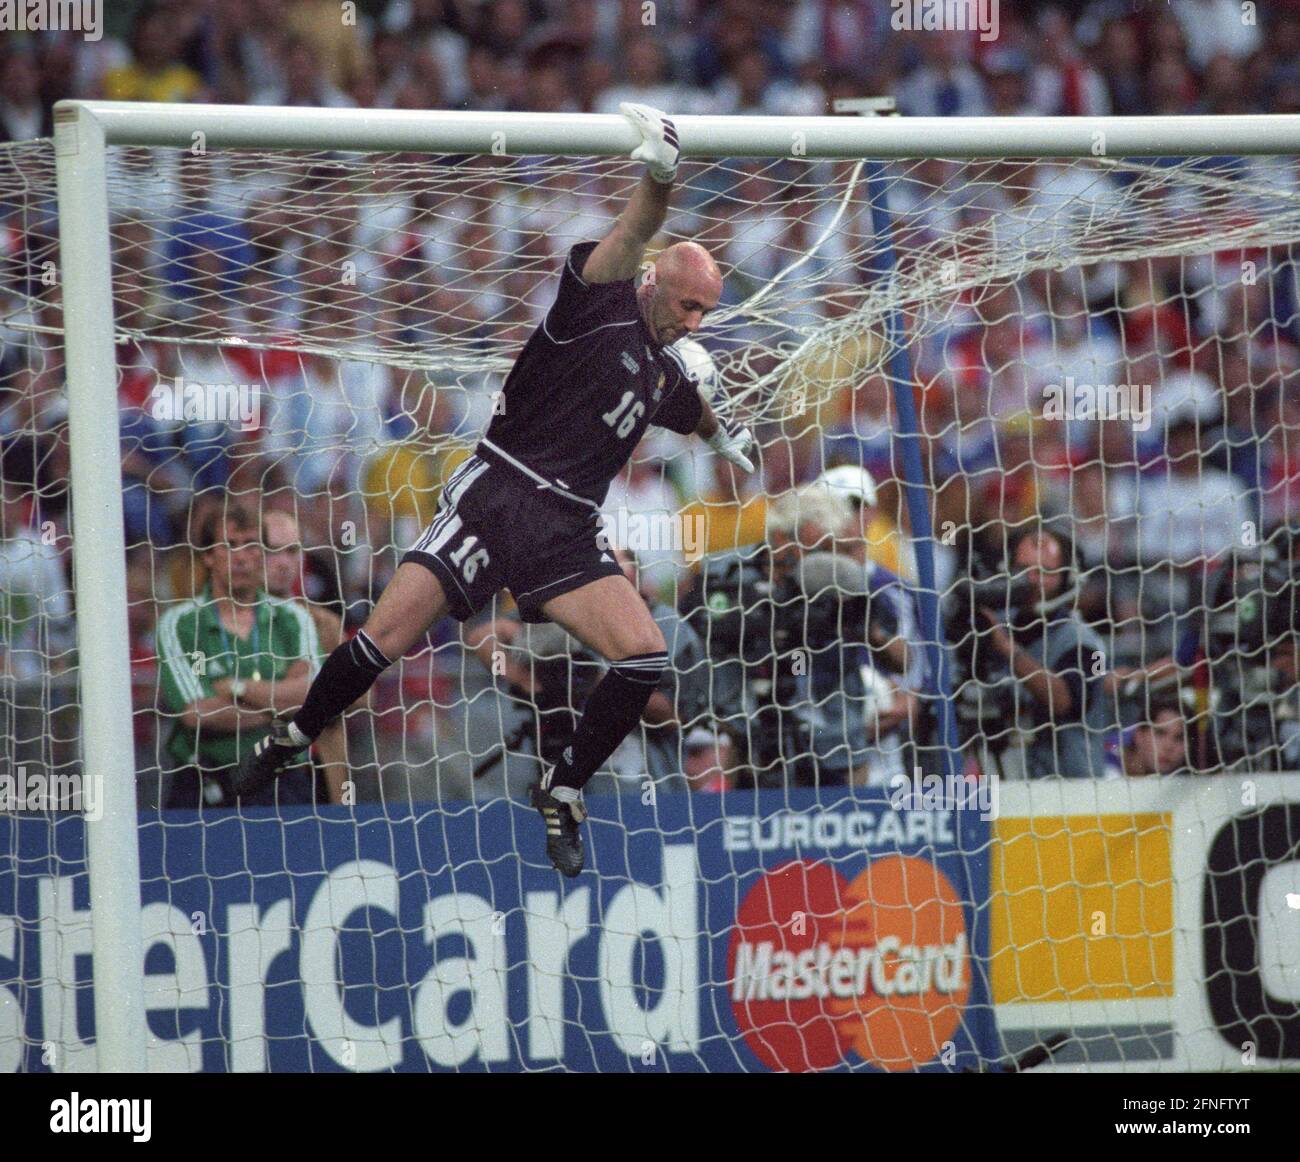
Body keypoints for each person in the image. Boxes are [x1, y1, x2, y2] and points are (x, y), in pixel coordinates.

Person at [234, 105, 756, 875]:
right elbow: (635, 231)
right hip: (498, 494)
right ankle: (292, 734)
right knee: (380, 643)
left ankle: (565, 789)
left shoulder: (665, 367)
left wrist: (723, 436)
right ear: (655, 284)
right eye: (687, 304)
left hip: (568, 529)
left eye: (706, 312)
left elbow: (692, 406)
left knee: (644, 658)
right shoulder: (598, 302)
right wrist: (661, 175)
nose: (695, 320)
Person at [156, 500, 323, 809]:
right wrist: (282, 708)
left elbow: (315, 698)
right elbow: (197, 714)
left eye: (251, 546)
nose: (243, 558)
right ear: (208, 555)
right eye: (230, 546)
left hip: (282, 782)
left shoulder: (293, 618)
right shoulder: (179, 623)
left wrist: (238, 688)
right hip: (206, 782)